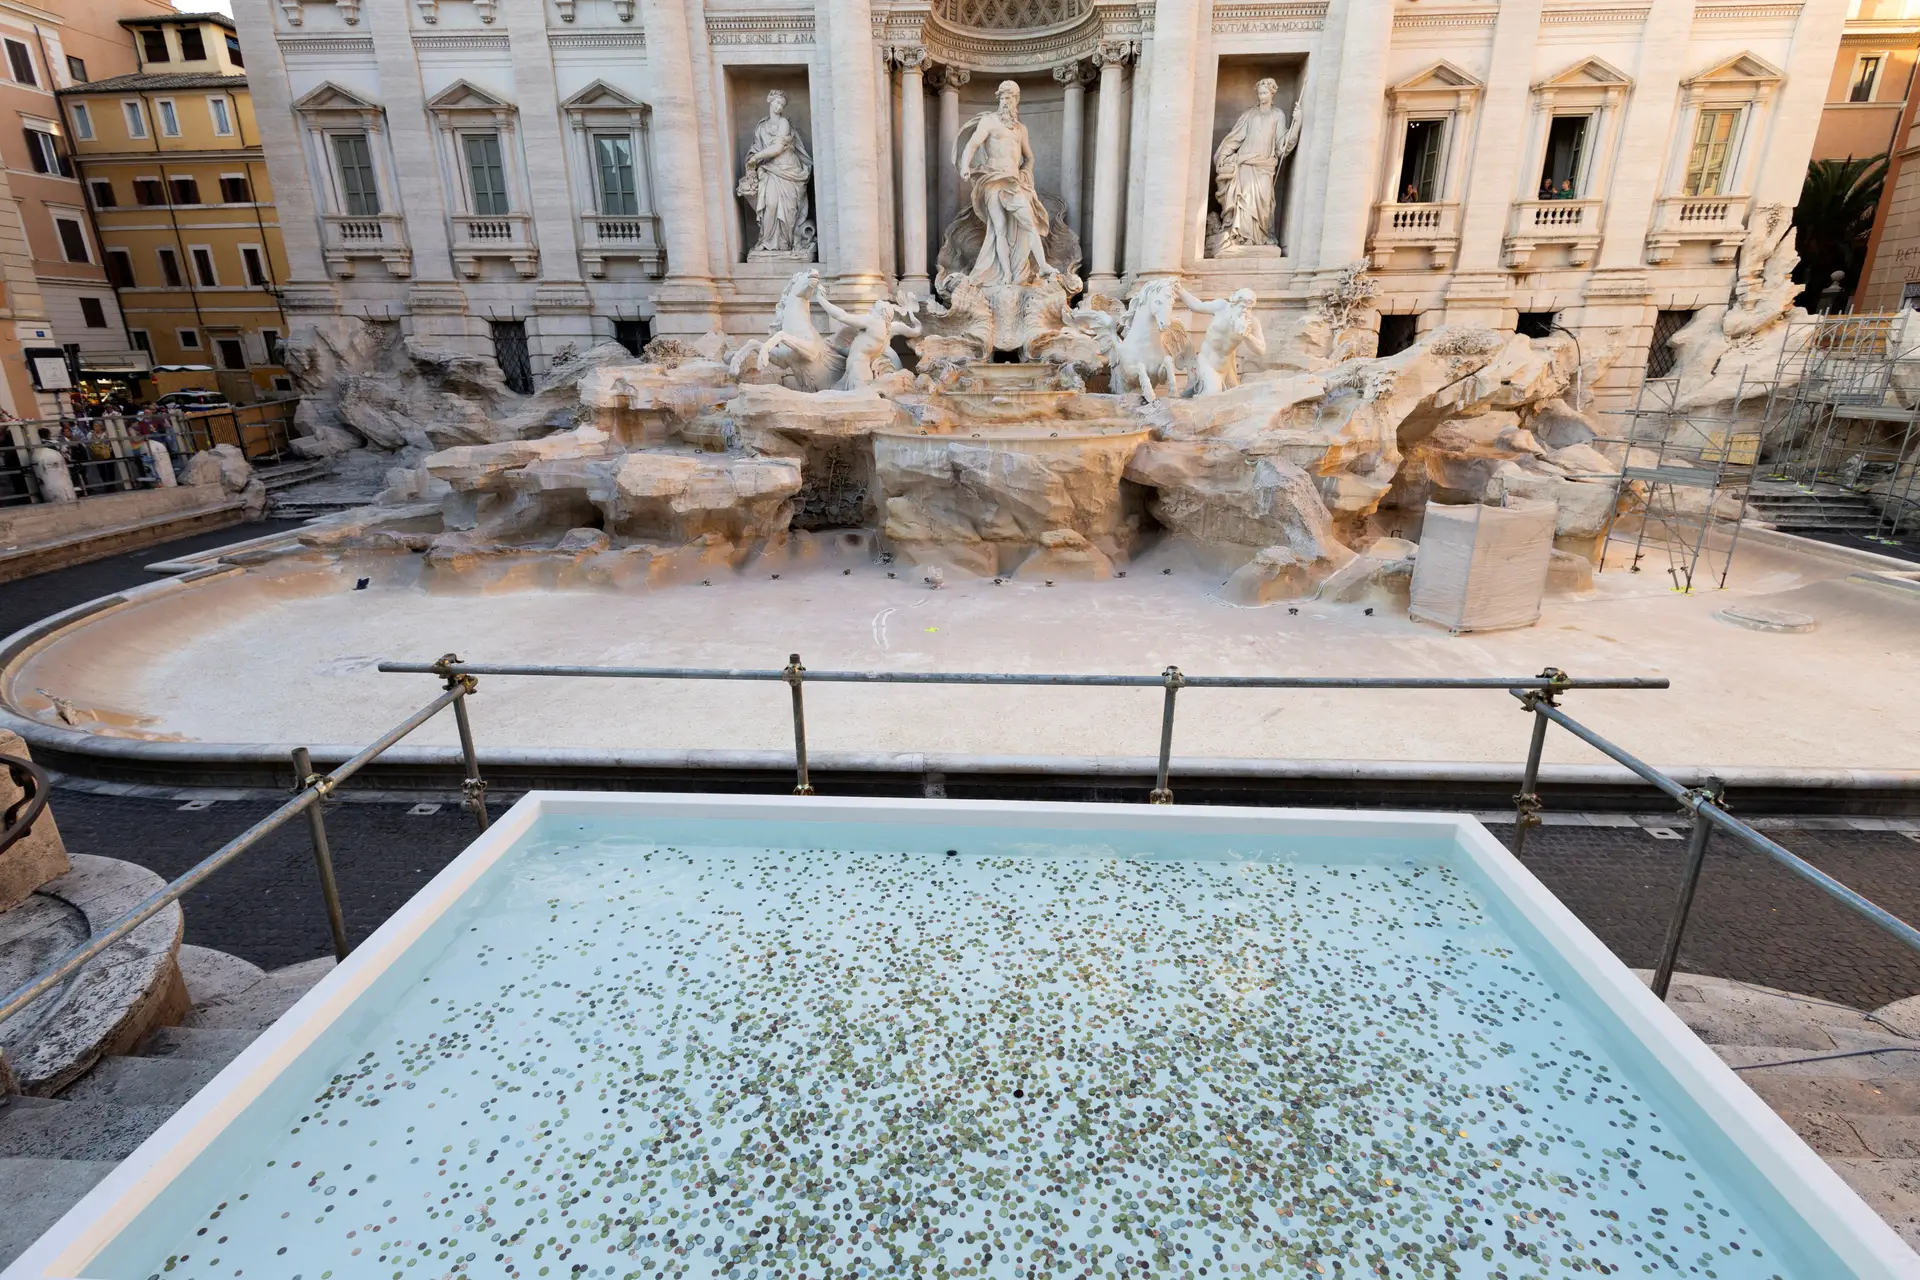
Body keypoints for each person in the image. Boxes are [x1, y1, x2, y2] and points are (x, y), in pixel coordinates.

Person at [955, 81, 1058, 286]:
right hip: (993, 180)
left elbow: (1029, 157)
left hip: (1013, 182)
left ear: (1016, 100)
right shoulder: (989, 121)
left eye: (1009, 98)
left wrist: (1026, 173)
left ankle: (1043, 265)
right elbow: (972, 144)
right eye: (1002, 97)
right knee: (999, 228)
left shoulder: (1021, 129)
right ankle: (1006, 274)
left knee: (1029, 223)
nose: (1004, 102)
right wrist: (965, 165)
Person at [1211, 77, 1304, 250]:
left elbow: (1282, 145)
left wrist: (1297, 122)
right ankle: (1241, 238)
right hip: (1246, 162)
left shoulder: (1278, 115)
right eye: (1260, 93)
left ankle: (1259, 238)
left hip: (1265, 165)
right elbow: (1236, 136)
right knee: (1244, 201)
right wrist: (1224, 154)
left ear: (1272, 93)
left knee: (1263, 203)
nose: (1262, 96)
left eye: (1265, 93)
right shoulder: (1249, 114)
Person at [738, 89, 815, 257]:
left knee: (788, 210)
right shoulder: (761, 127)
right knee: (770, 205)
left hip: (788, 170)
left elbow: (778, 148)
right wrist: (753, 159)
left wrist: (756, 158)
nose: (780, 106)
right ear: (770, 101)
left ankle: (785, 244)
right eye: (777, 102)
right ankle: (767, 241)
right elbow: (756, 148)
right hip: (770, 170)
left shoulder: (784, 123)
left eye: (782, 104)